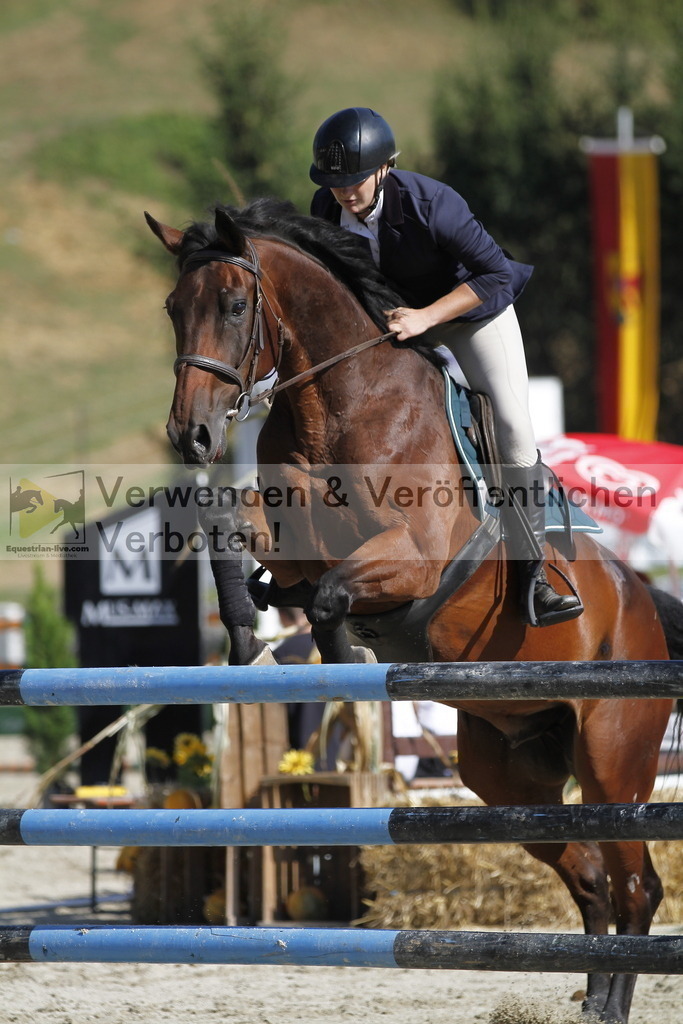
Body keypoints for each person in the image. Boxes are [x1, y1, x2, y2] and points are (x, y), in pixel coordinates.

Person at [309, 106, 582, 627]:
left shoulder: (434, 204)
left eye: (355, 180)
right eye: (334, 182)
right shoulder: (326, 207)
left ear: (385, 168)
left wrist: (427, 317)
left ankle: (536, 576)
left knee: (512, 425)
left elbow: (496, 274)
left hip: (472, 314)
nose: (344, 192)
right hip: (397, 320)